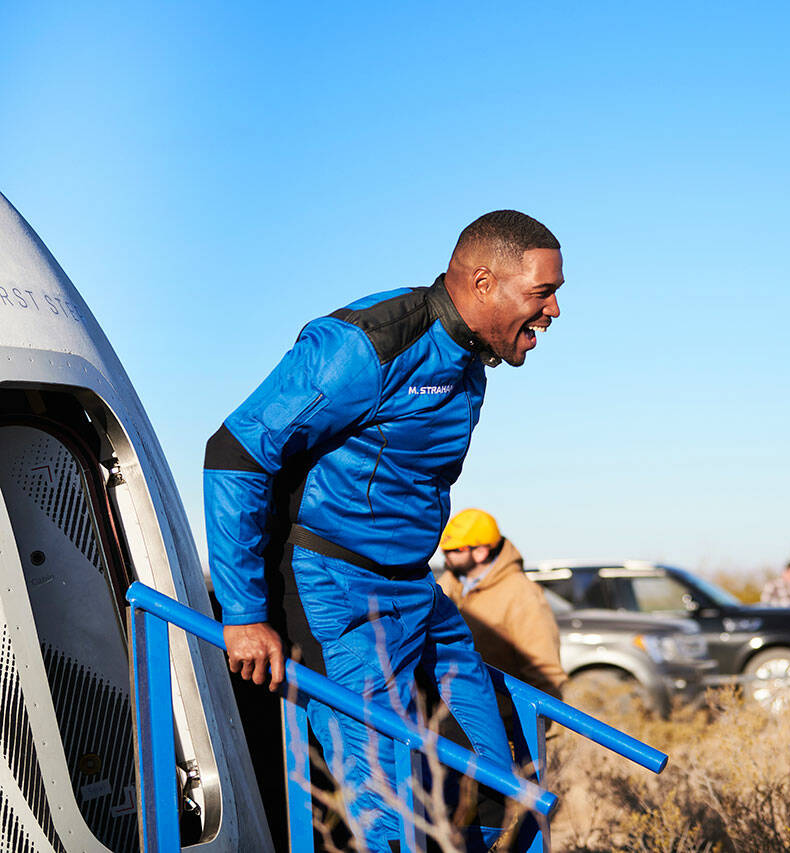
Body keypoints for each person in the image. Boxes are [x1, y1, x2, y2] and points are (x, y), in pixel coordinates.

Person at [203, 210, 564, 851]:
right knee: (394, 812)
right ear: (483, 283)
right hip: (335, 590)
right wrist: (243, 611)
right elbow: (237, 451)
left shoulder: (471, 364)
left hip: (416, 592)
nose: (554, 310)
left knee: (490, 783)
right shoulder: (369, 344)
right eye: (542, 293)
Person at [437, 508, 568, 701]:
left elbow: (545, 672)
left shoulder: (522, 594)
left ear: (481, 552)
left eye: (455, 550)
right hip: (451, 715)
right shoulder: (447, 584)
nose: (445, 554)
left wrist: (545, 730)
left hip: (501, 721)